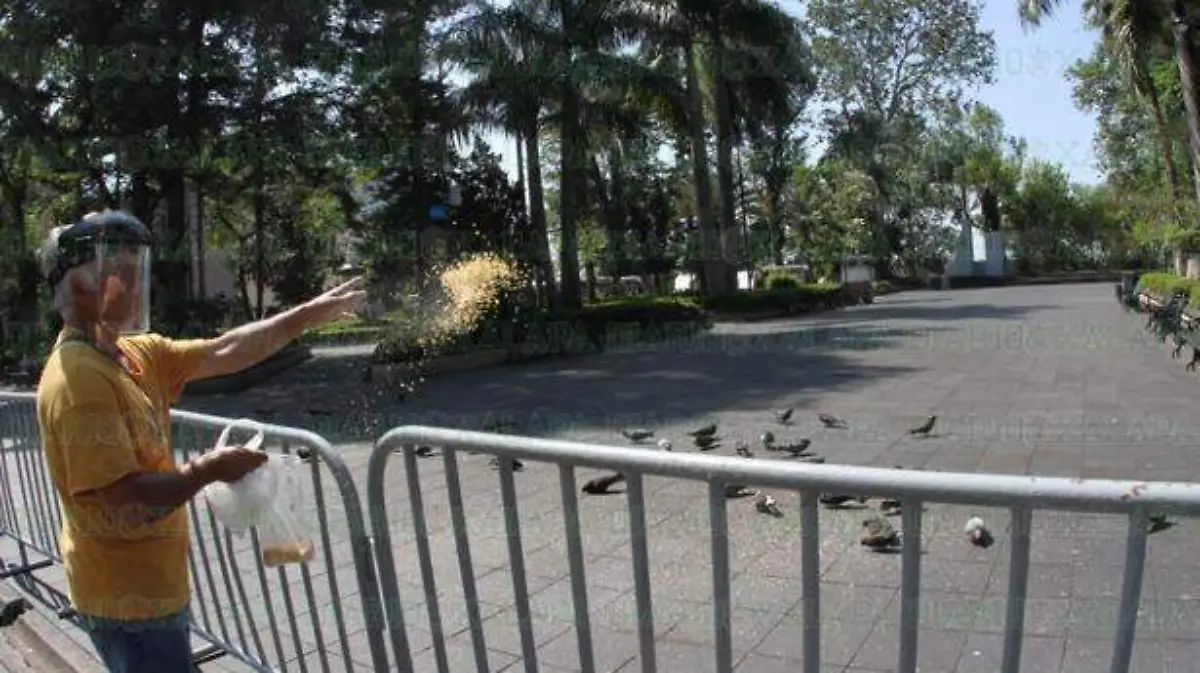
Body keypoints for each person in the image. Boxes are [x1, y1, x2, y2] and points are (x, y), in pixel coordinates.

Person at [34, 210, 365, 673]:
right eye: (119, 274)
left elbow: (225, 349)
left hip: (153, 587)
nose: (135, 287)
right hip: (126, 602)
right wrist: (208, 469)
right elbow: (125, 503)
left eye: (136, 271)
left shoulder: (133, 352)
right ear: (78, 287)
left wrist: (306, 316)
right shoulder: (79, 381)